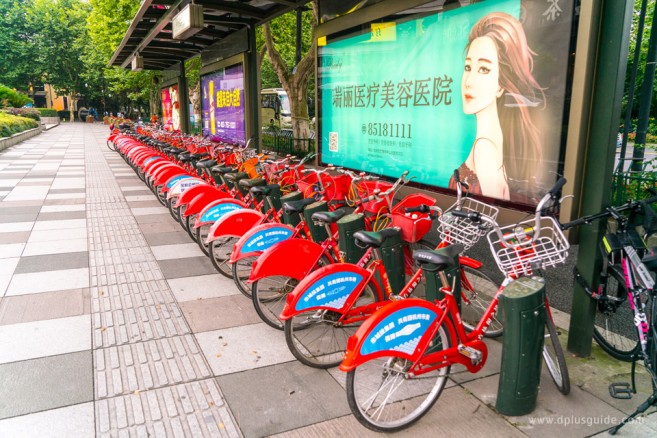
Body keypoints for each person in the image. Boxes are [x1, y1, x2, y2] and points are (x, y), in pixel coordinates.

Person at [448, 12, 545, 202]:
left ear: (501, 84)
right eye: (468, 68)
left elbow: (492, 212)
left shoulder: (485, 148)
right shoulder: (492, 139)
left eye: (484, 69)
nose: (469, 81)